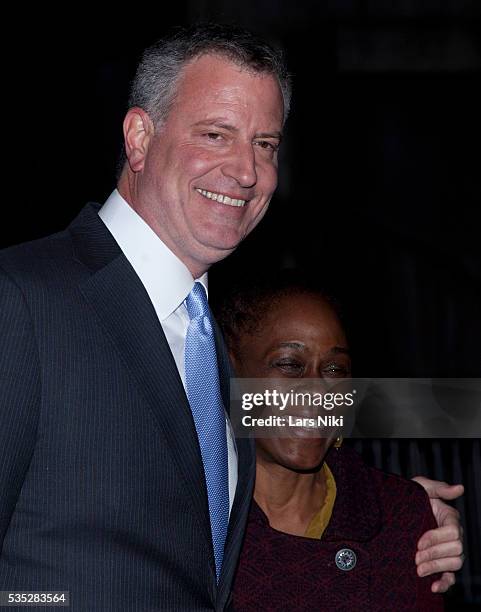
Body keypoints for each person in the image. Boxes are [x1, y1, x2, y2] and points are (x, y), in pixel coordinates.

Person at [0, 24, 462, 611]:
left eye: (265, 144)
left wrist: (397, 519)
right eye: (216, 135)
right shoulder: (21, 297)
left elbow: (221, 529)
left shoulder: (210, 338)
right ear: (139, 137)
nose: (247, 171)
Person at [215, 276, 463, 610]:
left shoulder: (398, 517)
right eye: (290, 365)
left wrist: (409, 508)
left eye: (335, 369)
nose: (319, 391)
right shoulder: (189, 518)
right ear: (229, 372)